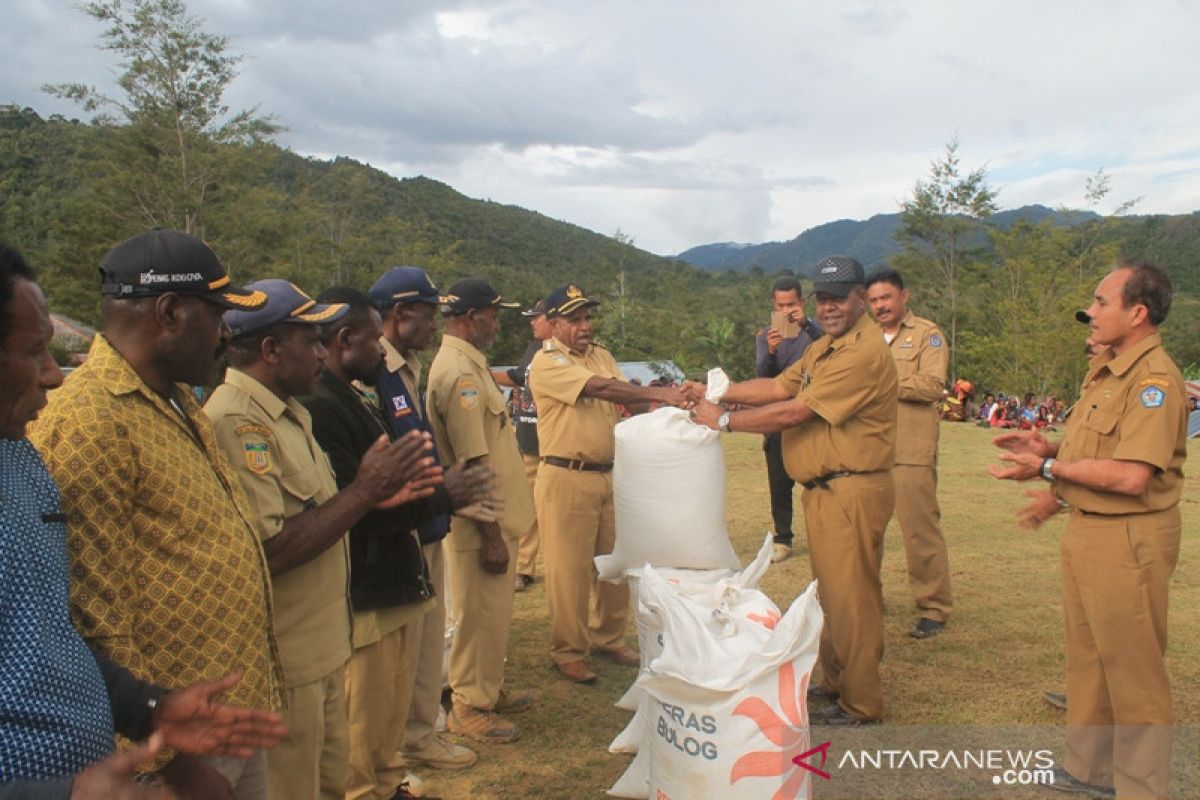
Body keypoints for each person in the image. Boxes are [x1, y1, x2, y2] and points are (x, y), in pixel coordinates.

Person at [0, 242, 287, 799]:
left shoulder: (21, 455)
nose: (53, 374)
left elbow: (51, 632)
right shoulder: (86, 421)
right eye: (35, 351)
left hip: (167, 739)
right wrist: (165, 765)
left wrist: (155, 711)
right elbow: (97, 612)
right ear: (171, 313)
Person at [206, 280, 437, 800]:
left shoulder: (294, 413)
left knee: (331, 785)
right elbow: (272, 550)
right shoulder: (237, 422)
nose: (320, 351)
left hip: (326, 646)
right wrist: (367, 490)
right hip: (287, 662)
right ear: (269, 349)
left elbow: (328, 512)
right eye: (309, 340)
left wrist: (379, 497)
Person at [990, 259, 1186, 798]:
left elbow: (1131, 475)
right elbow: (1098, 448)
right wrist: (1049, 451)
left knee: (1134, 675)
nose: (1091, 313)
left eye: (1102, 303)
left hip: (1128, 538)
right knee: (1090, 659)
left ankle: (1142, 788)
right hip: (1090, 529)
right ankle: (1089, 770)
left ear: (1138, 312)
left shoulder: (1153, 380)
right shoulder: (1109, 371)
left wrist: (1049, 470)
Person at [297, 288, 493, 800]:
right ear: (344, 341)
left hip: (393, 580)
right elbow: (354, 509)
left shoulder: (356, 396)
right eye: (372, 341)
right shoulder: (322, 408)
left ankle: (390, 786)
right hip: (365, 588)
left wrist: (430, 494)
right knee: (362, 724)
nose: (382, 353)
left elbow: (390, 488)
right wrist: (439, 496)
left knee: (387, 717)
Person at [684, 255, 896, 725]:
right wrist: (719, 391)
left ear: (861, 297)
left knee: (853, 599)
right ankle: (836, 683)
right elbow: (780, 386)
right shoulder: (827, 347)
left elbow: (796, 412)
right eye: (823, 297)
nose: (830, 305)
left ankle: (860, 704)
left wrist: (723, 420)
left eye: (840, 296)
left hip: (852, 489)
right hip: (827, 491)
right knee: (831, 595)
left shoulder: (861, 352)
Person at [528, 284, 689, 684]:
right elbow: (600, 388)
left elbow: (625, 398)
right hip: (566, 476)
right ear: (552, 325)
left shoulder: (600, 354)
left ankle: (609, 637)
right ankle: (568, 650)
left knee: (616, 565)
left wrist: (665, 403)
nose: (585, 326)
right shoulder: (547, 362)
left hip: (610, 473)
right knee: (570, 570)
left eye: (587, 318)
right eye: (574, 319)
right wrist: (664, 394)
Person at [368, 267, 478, 772]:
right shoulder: (372, 369)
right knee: (402, 650)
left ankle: (419, 733)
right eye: (428, 314)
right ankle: (400, 744)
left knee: (429, 641)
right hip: (402, 527)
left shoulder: (408, 365)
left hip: (429, 522)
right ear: (397, 315)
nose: (435, 324)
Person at [426, 279, 536, 743]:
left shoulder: (470, 363)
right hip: (479, 526)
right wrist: (491, 535)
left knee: (491, 617)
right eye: (492, 315)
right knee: (475, 617)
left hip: (495, 518)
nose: (497, 322)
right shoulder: (461, 375)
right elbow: (471, 462)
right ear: (471, 318)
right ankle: (470, 706)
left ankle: (485, 687)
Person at [865, 269, 953, 639]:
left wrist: (882, 384)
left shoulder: (927, 335)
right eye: (873, 300)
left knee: (920, 531)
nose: (880, 306)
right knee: (866, 532)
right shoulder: (864, 337)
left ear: (904, 296)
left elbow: (932, 385)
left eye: (886, 297)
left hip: (911, 449)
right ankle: (868, 601)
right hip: (869, 450)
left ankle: (933, 606)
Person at [754, 276, 822, 563]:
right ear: (773, 305)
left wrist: (805, 323)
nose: (787, 311)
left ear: (802, 302)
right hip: (779, 416)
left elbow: (831, 351)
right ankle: (783, 538)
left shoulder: (816, 331)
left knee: (818, 479)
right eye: (781, 305)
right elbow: (763, 377)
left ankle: (824, 533)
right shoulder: (764, 335)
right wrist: (770, 351)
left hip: (811, 415)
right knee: (778, 480)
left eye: (791, 304)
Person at [511, 299, 551, 590]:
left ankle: (574, 567)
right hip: (527, 440)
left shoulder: (569, 354)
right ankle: (523, 567)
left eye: (536, 317)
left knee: (557, 510)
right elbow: (516, 377)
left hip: (554, 445)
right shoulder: (534, 349)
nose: (532, 322)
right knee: (526, 508)